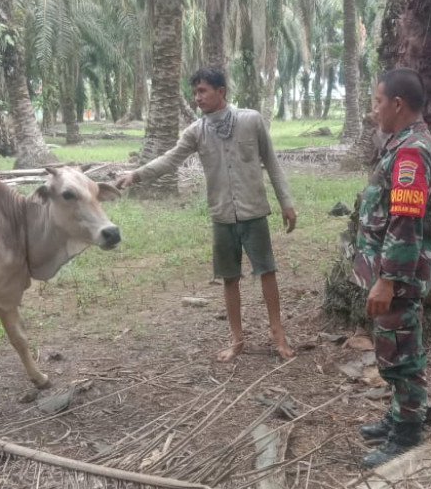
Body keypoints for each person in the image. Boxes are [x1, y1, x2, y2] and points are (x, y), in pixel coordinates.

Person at [116, 67, 297, 362]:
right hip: (222, 216)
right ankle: (237, 339)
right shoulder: (196, 132)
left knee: (267, 271)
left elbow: (272, 163)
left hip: (254, 213)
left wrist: (286, 202)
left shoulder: (251, 120)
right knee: (229, 277)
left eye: (203, 91)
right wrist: (136, 174)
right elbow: (169, 160)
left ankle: (278, 333)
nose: (197, 97)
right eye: (195, 92)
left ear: (221, 92)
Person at [351, 68, 431, 468]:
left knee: (402, 354)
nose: (373, 111)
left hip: (399, 277)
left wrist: (387, 281)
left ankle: (407, 434)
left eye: (377, 102)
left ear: (397, 104)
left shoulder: (410, 153)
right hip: (394, 274)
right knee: (393, 348)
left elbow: (405, 224)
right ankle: (397, 416)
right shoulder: (403, 144)